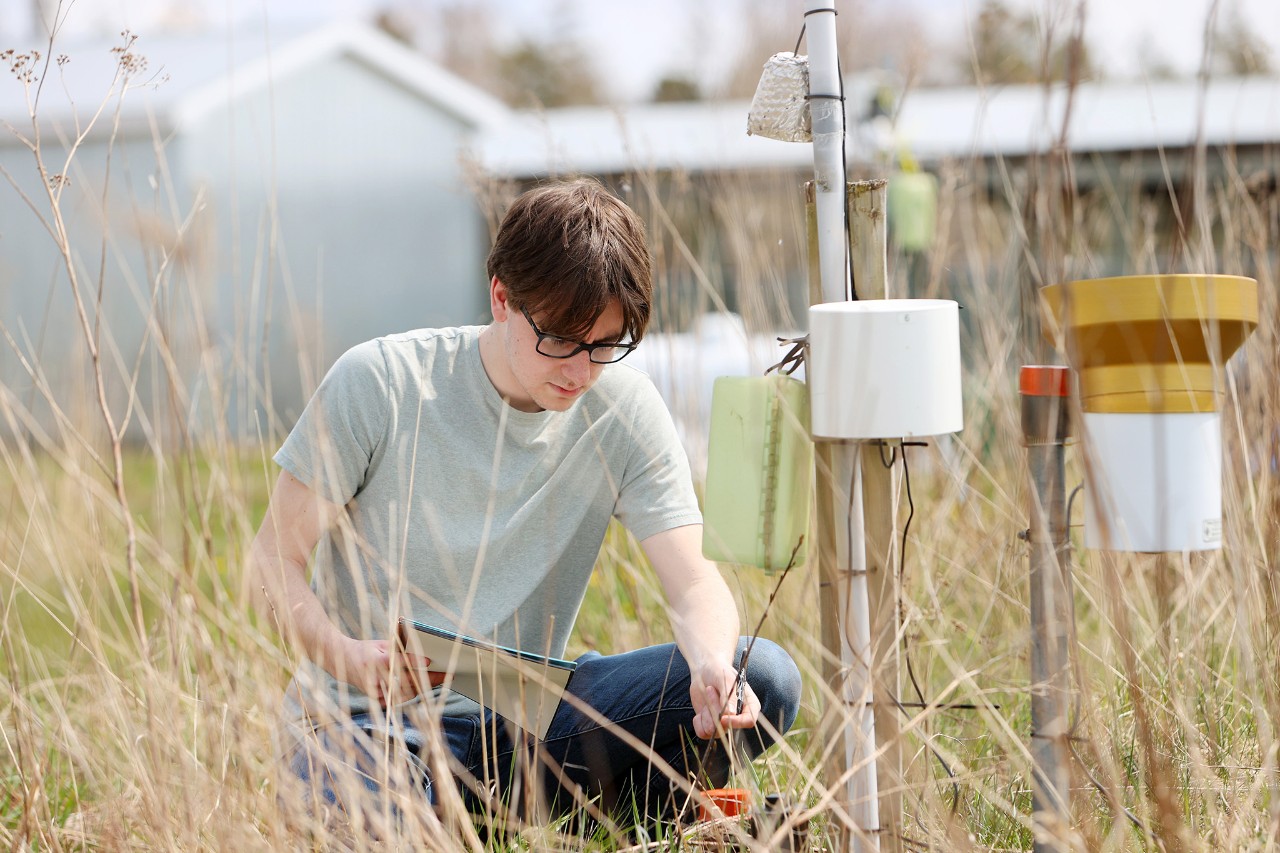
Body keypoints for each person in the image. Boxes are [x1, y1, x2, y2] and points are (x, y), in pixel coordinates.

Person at [247, 179, 801, 835]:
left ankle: (647, 818)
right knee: (370, 816)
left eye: (605, 344)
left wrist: (711, 663)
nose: (581, 368)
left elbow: (694, 580)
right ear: (502, 298)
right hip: (364, 722)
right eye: (562, 339)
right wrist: (344, 654)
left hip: (526, 731)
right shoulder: (381, 383)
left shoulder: (624, 408)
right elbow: (270, 563)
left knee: (761, 673)